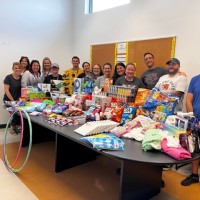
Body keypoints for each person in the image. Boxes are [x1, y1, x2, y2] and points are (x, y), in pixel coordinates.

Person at [180, 74, 200, 186]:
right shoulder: (195, 79)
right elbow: (188, 100)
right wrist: (194, 119)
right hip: (195, 119)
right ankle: (194, 175)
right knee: (195, 147)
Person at [3, 62, 22, 135]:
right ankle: (12, 128)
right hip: (8, 100)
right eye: (16, 68)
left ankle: (16, 127)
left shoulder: (21, 78)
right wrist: (13, 101)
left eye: (19, 68)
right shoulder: (8, 77)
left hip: (18, 100)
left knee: (19, 114)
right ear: (13, 69)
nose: (17, 69)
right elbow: (6, 91)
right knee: (15, 114)